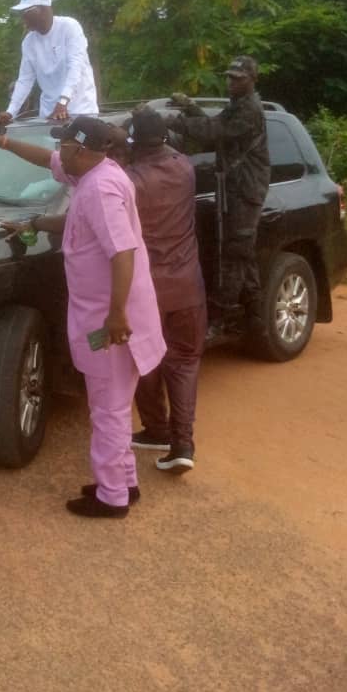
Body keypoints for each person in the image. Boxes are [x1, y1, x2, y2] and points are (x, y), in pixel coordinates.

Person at [0, 117, 165, 518]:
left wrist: (115, 316)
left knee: (107, 409)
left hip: (110, 324)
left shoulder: (101, 189)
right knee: (113, 404)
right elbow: (47, 163)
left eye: (64, 148)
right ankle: (125, 482)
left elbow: (122, 252)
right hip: (105, 316)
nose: (58, 154)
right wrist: (4, 144)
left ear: (81, 150)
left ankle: (111, 497)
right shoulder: (95, 172)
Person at [123, 108, 207, 473]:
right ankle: (182, 443)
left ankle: (156, 428)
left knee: (145, 359)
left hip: (148, 289)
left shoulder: (129, 180)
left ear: (133, 143)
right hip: (188, 285)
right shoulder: (185, 168)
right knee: (185, 360)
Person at [167, 56, 270, 339]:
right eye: (229, 77)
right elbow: (214, 125)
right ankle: (257, 323)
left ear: (252, 80)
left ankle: (219, 319)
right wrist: (190, 107)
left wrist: (173, 121)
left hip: (245, 191)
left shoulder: (250, 109)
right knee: (243, 256)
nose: (231, 82)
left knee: (233, 254)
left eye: (238, 78)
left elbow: (214, 132)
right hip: (234, 188)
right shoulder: (237, 105)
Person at [0, 0, 99, 125]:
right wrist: (11, 112)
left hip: (81, 111)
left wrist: (63, 102)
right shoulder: (28, 42)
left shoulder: (69, 27)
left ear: (43, 10)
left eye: (26, 12)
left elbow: (75, 67)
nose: (23, 17)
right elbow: (25, 80)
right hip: (49, 114)